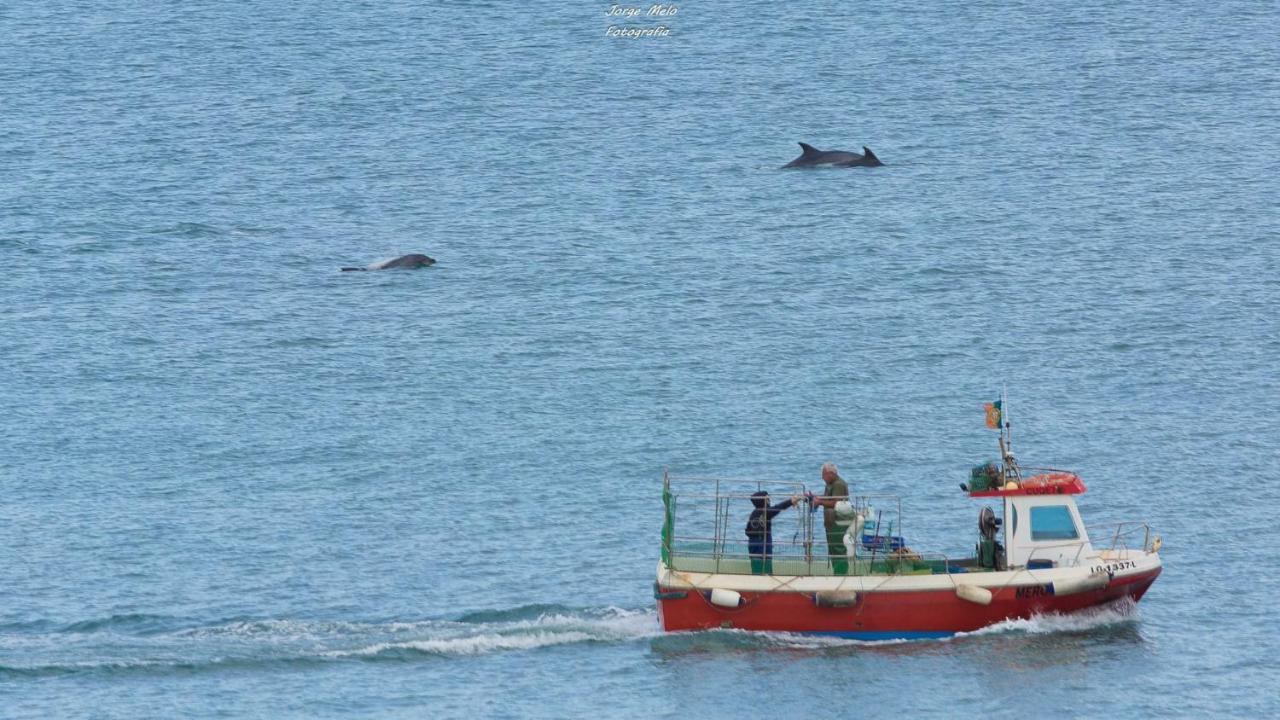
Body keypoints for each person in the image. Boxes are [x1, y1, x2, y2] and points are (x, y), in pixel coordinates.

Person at [809, 462, 851, 575]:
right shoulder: (830, 484)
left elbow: (836, 502)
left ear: (830, 473)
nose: (822, 478)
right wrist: (816, 497)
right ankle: (837, 572)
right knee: (832, 549)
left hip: (839, 522)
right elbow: (828, 498)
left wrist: (819, 502)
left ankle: (841, 573)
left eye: (824, 475)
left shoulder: (839, 484)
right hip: (831, 522)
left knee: (838, 548)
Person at [745, 491, 800, 575]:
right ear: (763, 501)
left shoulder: (755, 513)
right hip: (762, 543)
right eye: (767, 499)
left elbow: (747, 531)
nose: (769, 501)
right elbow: (778, 507)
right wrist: (790, 501)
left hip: (754, 543)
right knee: (765, 567)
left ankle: (757, 580)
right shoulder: (764, 512)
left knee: (756, 566)